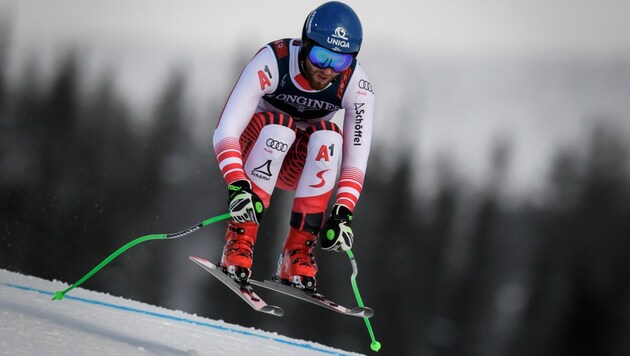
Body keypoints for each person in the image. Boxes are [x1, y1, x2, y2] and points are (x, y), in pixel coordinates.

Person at [212, 1, 374, 291]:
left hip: (299, 166)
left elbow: (355, 160)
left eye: (340, 62)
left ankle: (296, 252)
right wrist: (237, 183)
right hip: (253, 152)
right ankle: (239, 241)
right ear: (305, 43)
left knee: (330, 135)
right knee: (280, 126)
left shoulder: (356, 84)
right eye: (320, 56)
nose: (327, 70)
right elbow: (225, 130)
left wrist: (342, 213)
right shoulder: (273, 61)